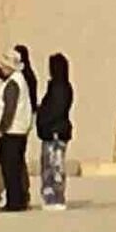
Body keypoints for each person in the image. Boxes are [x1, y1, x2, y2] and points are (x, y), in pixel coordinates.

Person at [0, 46, 36, 212]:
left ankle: (14, 202)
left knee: (10, 168)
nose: (3, 69)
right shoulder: (17, 79)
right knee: (15, 165)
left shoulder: (14, 83)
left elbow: (10, 109)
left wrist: (2, 128)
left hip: (12, 131)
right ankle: (19, 199)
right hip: (18, 129)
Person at [35, 48, 77, 206]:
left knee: (54, 165)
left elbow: (56, 109)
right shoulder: (60, 86)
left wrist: (43, 119)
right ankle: (53, 195)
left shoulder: (60, 87)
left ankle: (55, 196)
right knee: (52, 165)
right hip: (56, 130)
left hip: (55, 131)